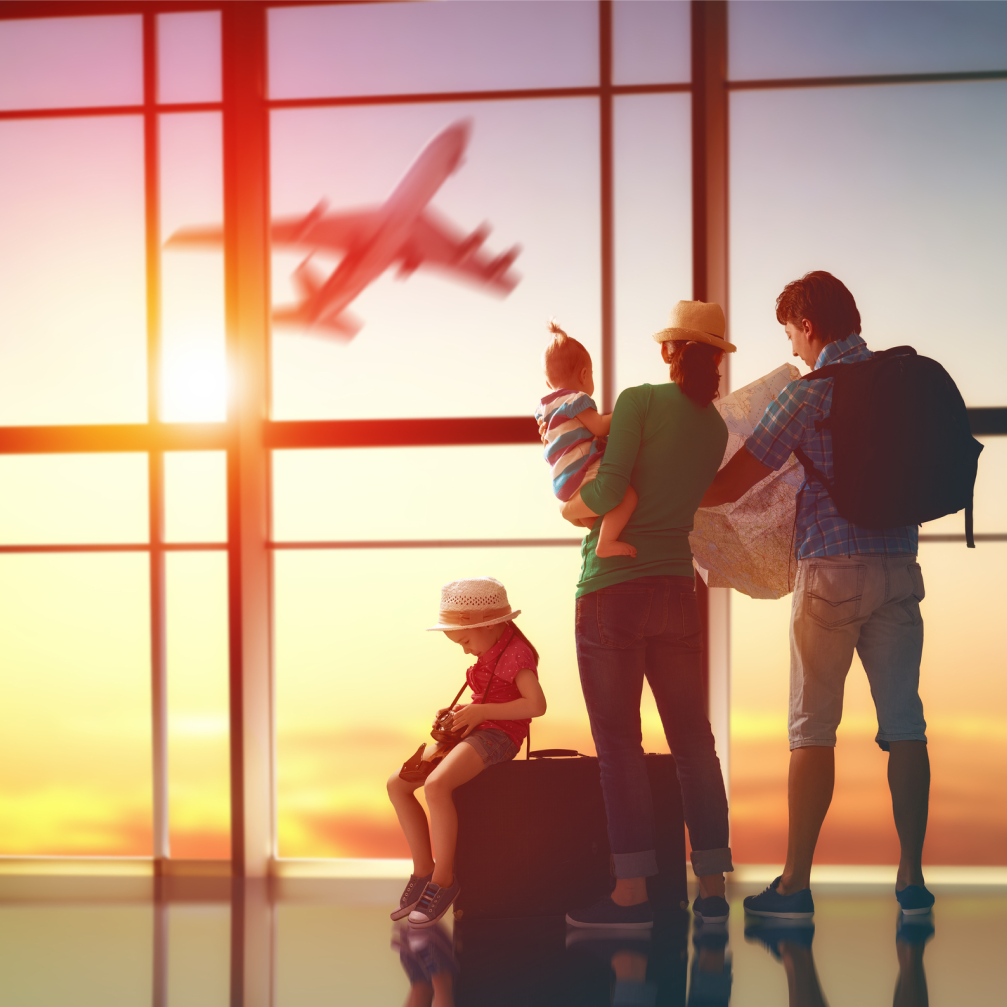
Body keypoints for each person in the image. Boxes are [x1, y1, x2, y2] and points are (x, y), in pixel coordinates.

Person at [701, 270, 934, 919]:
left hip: (828, 571)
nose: (793, 350)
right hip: (897, 570)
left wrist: (674, 497)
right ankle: (911, 879)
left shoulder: (808, 393)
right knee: (905, 726)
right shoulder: (899, 385)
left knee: (811, 731)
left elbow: (735, 479)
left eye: (791, 336)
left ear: (807, 325)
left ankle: (794, 884)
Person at [562, 300, 736, 929]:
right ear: (714, 358)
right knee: (694, 741)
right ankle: (712, 887)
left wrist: (569, 509)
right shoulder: (713, 429)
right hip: (674, 589)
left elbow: (607, 494)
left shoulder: (637, 401)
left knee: (619, 746)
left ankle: (630, 896)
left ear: (670, 352)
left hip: (613, 588)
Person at [386, 576, 547, 927]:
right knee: (396, 784)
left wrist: (482, 712)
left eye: (465, 640)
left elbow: (536, 705)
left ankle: (444, 881)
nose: (465, 649)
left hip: (499, 736)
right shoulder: (491, 649)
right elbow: (483, 699)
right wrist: (459, 713)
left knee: (436, 786)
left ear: (490, 624)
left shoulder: (516, 653)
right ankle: (423, 869)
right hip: (477, 729)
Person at [536, 320, 639, 558]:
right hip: (585, 476)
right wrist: (627, 412)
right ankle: (605, 543)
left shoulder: (546, 410)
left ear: (549, 384)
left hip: (564, 485)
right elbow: (600, 427)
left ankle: (600, 540)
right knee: (629, 496)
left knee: (592, 516)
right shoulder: (575, 400)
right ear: (584, 375)